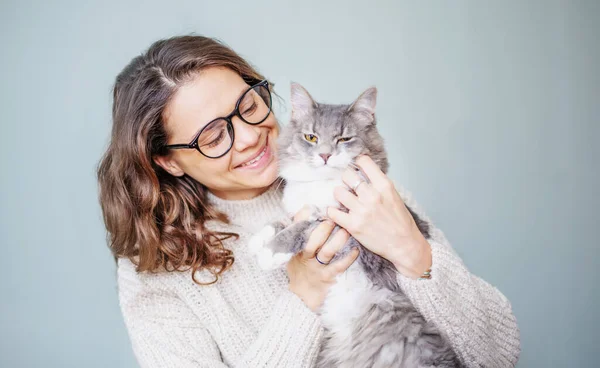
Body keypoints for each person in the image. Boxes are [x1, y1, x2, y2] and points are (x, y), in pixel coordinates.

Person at [97, 35, 521, 367]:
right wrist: (302, 296)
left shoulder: (361, 189)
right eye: (213, 136)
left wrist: (415, 254)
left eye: (248, 104)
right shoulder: (152, 272)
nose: (249, 136)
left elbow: (499, 354)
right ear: (169, 161)